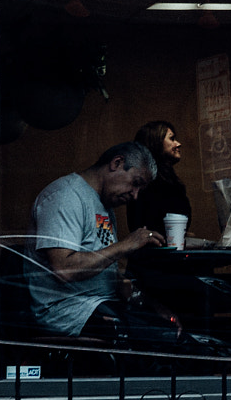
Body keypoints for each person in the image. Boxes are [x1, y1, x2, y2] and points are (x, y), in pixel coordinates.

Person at [27, 141, 163, 337]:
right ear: (116, 163)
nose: (135, 196)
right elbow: (64, 269)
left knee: (164, 329)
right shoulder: (65, 196)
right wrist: (125, 245)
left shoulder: (103, 205)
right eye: (135, 183)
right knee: (149, 337)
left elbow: (106, 271)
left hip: (98, 303)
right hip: (67, 311)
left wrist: (152, 306)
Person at [126, 119, 205, 245]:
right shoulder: (146, 182)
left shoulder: (169, 180)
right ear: (156, 142)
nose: (178, 144)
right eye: (171, 139)